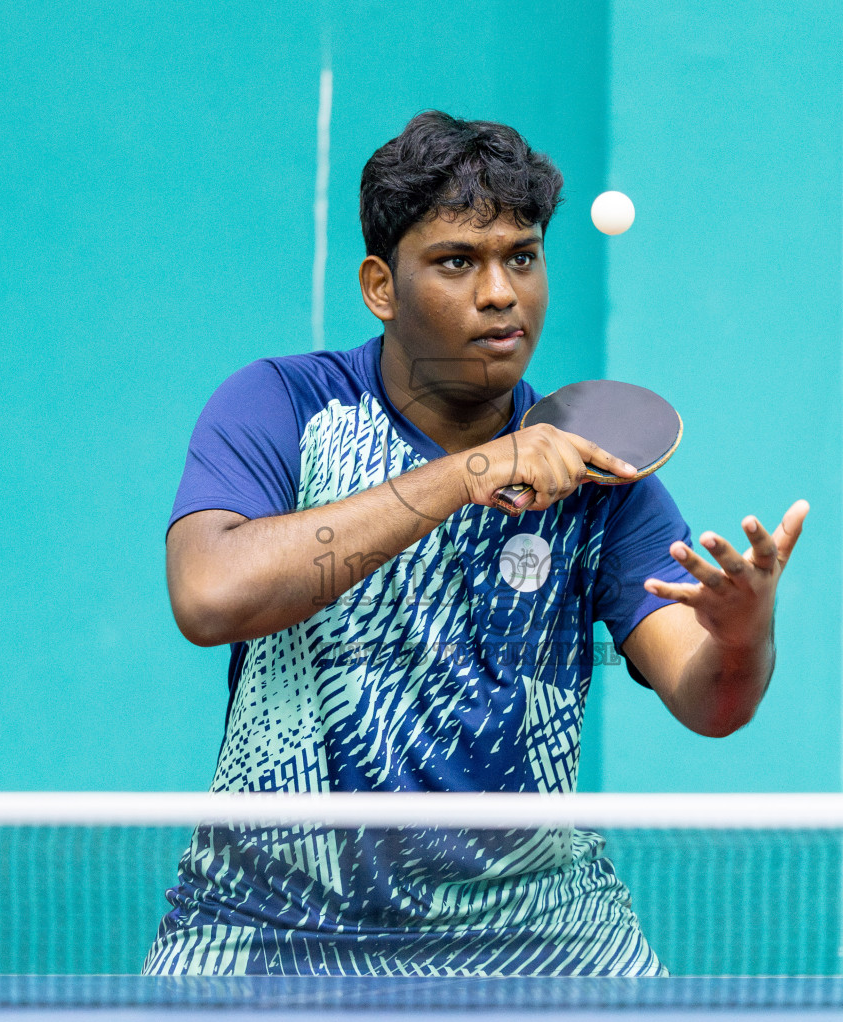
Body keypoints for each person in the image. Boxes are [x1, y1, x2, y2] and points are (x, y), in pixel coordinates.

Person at [143, 111, 808, 976]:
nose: (500, 293)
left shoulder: (598, 467)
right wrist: (468, 473)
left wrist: (743, 631)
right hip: (272, 923)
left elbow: (712, 702)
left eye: (521, 257)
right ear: (381, 286)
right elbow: (211, 595)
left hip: (541, 938)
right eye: (459, 261)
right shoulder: (283, 407)